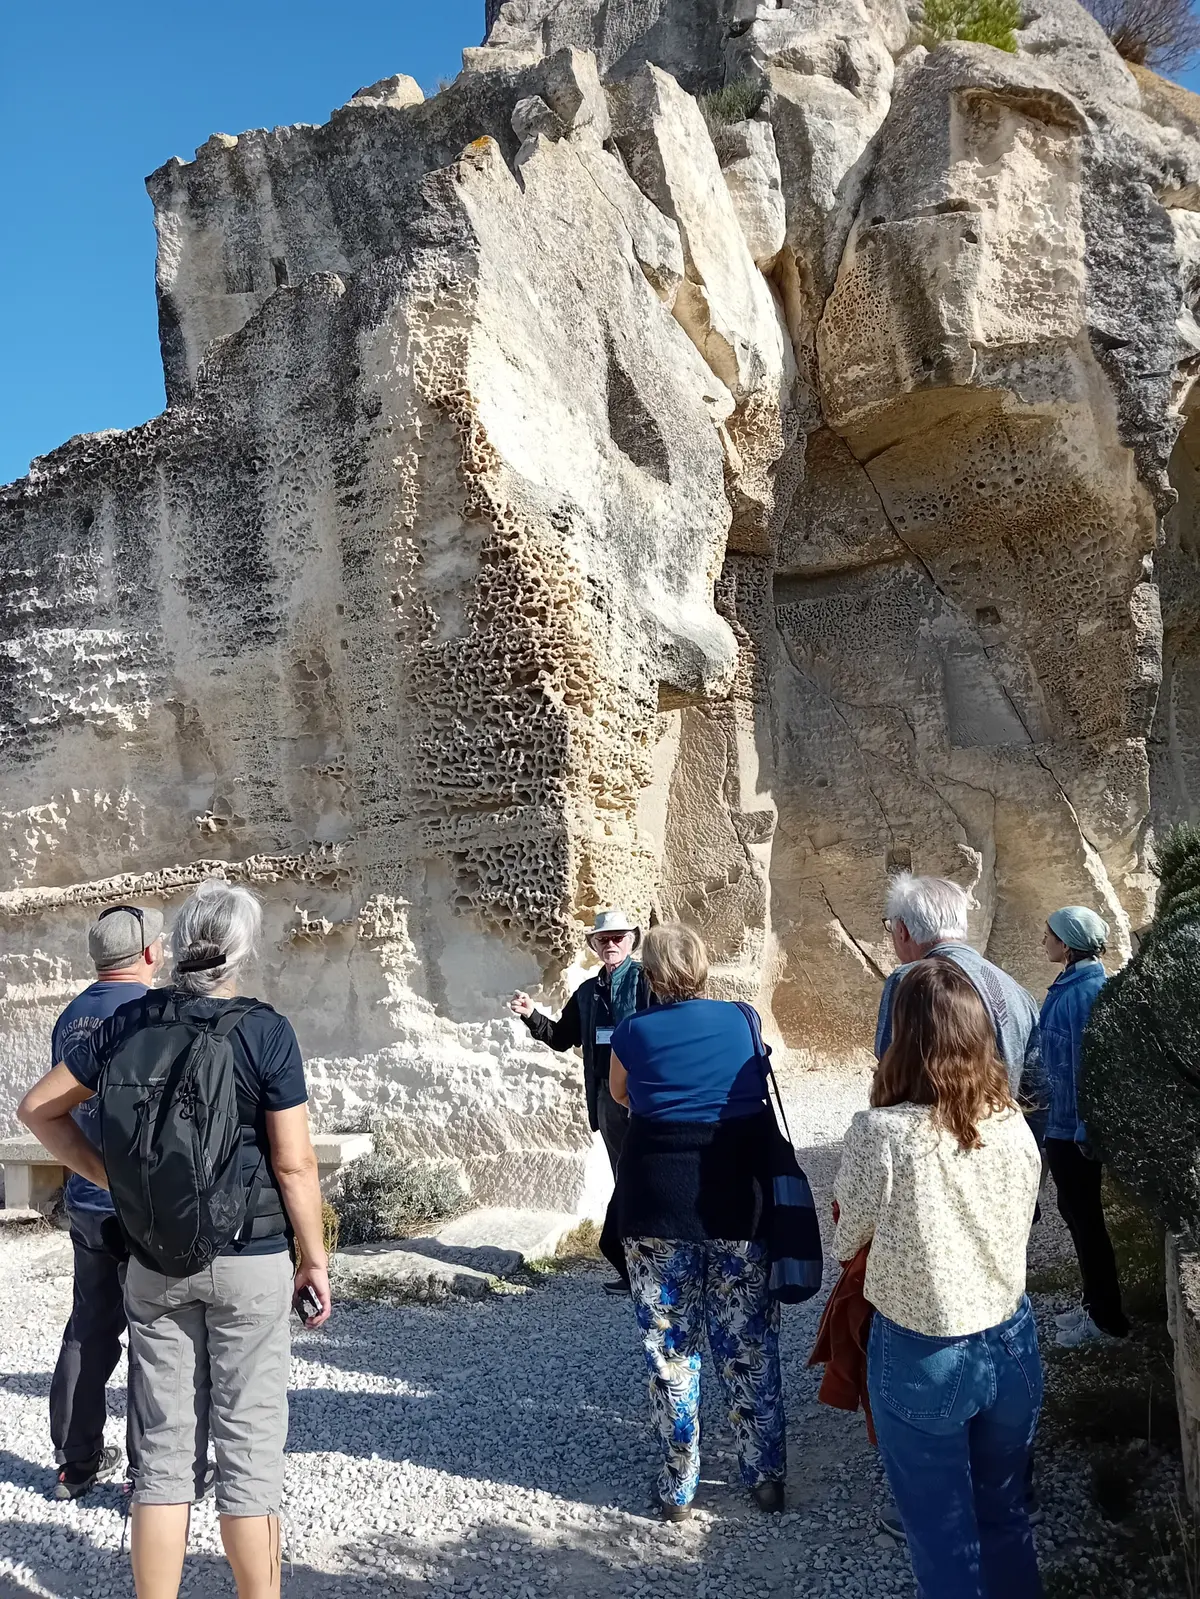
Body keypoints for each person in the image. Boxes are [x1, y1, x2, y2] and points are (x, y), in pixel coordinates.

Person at [19, 879, 331, 1599]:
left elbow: (38, 1108)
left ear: (176, 948)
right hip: (251, 1257)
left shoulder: (130, 1022)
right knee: (249, 1452)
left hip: (154, 1259)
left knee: (161, 1458)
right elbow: (294, 1163)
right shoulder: (265, 1031)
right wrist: (314, 1259)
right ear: (241, 951)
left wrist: (118, 1181)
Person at [835, 958, 1044, 1599]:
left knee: (941, 1535)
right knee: (1004, 1516)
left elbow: (847, 1236)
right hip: (1011, 1339)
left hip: (923, 1350)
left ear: (903, 1037)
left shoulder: (882, 1133)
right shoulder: (1012, 1122)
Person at [608, 922, 785, 1521]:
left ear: (652, 975)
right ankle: (764, 1476)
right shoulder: (742, 1018)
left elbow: (622, 1095)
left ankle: (679, 1484)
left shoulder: (633, 1031)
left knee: (671, 1351)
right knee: (747, 1343)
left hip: (658, 1200)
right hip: (737, 1198)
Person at [45, 904, 163, 1500]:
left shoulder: (70, 1017)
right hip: (142, 1203)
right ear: (149, 953)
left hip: (87, 1199)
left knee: (88, 1327)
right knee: (154, 1334)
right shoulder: (153, 1012)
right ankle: (151, 1474)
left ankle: (74, 1464)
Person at [510, 908, 652, 1293]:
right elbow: (561, 1037)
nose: (611, 944)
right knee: (626, 1178)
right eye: (603, 939)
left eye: (618, 937)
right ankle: (636, 1271)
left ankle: (658, 1267)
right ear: (594, 945)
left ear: (631, 941)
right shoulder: (588, 993)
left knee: (649, 1177)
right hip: (608, 1100)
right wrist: (532, 1015)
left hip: (644, 1096)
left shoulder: (647, 981)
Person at [877, 872, 1046, 1120]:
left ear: (902, 930)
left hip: (930, 1132)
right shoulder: (1017, 991)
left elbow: (889, 1067)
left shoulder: (909, 980)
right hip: (1000, 1127)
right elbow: (1036, 1086)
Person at [1040, 905, 1129, 1348]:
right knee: (1075, 1215)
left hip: (1073, 1130)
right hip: (1063, 1123)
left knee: (1086, 1220)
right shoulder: (1074, 984)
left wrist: (1084, 1132)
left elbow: (1086, 1071)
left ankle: (1108, 1322)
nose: (1043, 941)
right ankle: (1094, 1304)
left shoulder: (1085, 993)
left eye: (1049, 935)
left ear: (1068, 944)